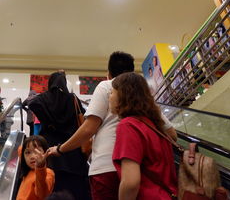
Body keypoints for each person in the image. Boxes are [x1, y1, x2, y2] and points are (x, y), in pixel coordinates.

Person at [47, 51, 177, 200]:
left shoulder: (108, 90)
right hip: (144, 172)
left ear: (109, 74)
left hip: (106, 167)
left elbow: (89, 128)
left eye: (112, 94)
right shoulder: (144, 99)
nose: (110, 96)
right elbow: (172, 134)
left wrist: (60, 149)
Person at [111, 72, 178, 200]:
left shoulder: (128, 126)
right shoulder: (154, 125)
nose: (109, 97)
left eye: (112, 92)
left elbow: (131, 182)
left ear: (123, 95)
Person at [29, 72, 91, 200]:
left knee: (54, 192)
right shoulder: (72, 98)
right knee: (76, 192)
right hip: (73, 153)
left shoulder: (43, 99)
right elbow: (83, 115)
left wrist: (49, 121)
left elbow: (31, 103)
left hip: (51, 154)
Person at [17, 135, 55, 200]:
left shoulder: (48, 173)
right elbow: (21, 150)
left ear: (46, 153)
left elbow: (42, 194)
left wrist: (40, 167)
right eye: (28, 152)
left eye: (37, 151)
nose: (32, 156)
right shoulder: (28, 170)